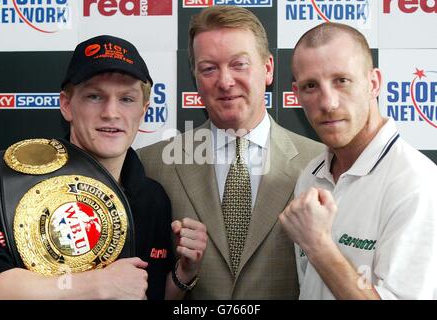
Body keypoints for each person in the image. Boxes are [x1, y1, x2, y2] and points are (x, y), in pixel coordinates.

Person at [0, 35, 207, 300]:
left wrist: (184, 272)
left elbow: (150, 293)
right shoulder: (12, 180)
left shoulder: (153, 198)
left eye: (126, 99)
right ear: (66, 105)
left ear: (143, 110)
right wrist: (94, 285)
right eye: (95, 96)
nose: (111, 112)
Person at [138, 6, 324, 299]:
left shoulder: (320, 164)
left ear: (268, 69)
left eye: (239, 64)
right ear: (195, 77)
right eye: (209, 68)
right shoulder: (151, 164)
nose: (225, 82)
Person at [279, 22, 437, 300]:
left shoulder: (416, 182)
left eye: (341, 80)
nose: (327, 102)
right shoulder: (310, 176)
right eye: (311, 86)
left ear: (373, 83)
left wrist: (318, 245)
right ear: (296, 95)